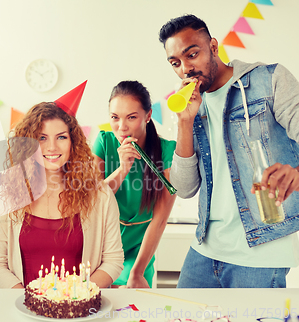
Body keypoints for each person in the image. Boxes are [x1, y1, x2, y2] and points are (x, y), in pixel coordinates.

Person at [159, 14, 299, 288]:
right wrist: (186, 123)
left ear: (213, 46)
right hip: (205, 248)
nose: (185, 69)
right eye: (175, 63)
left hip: (262, 249)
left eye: (192, 54)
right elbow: (185, 188)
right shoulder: (192, 107)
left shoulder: (269, 80)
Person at [0, 101, 124, 289]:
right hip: (24, 308)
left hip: (80, 310)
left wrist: (79, 296)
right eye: (41, 138)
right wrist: (28, 299)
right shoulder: (6, 195)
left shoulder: (100, 196)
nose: (52, 147)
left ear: (73, 142)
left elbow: (114, 260)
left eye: (61, 137)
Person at [92, 81, 177, 288]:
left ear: (148, 116)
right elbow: (92, 202)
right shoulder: (104, 142)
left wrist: (138, 272)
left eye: (131, 117)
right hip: (102, 242)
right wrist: (122, 169)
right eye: (115, 118)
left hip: (140, 248)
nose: (121, 127)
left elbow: (160, 219)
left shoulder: (167, 151)